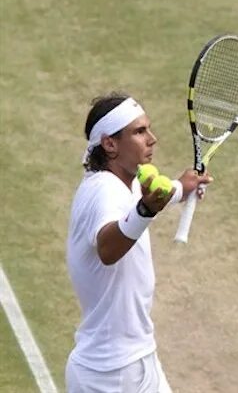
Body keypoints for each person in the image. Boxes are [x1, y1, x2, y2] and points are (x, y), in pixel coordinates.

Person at [66, 93, 211, 392]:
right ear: (110, 144)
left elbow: (151, 195)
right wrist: (146, 211)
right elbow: (108, 249)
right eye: (139, 131)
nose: (152, 139)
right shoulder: (104, 191)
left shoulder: (123, 182)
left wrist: (182, 188)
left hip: (139, 360)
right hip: (108, 376)